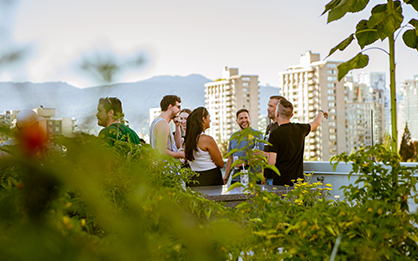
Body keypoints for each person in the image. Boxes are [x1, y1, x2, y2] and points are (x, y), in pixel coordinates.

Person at [267, 99, 328, 186]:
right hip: (298, 183)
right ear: (291, 115)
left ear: (277, 114)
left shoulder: (275, 134)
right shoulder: (300, 129)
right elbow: (316, 123)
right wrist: (321, 112)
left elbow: (271, 162)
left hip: (280, 183)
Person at [184, 107, 224, 186]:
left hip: (193, 178)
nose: (210, 120)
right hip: (210, 177)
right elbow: (220, 164)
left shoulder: (188, 140)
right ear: (203, 119)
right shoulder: (207, 139)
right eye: (209, 117)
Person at [223, 109, 264, 185]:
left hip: (253, 178)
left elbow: (261, 156)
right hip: (236, 178)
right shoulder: (233, 136)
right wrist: (226, 176)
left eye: (246, 117)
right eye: (241, 118)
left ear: (249, 119)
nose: (244, 120)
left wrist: (244, 163)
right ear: (237, 121)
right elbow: (230, 158)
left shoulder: (257, 135)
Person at [263, 95, 285, 185]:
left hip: (278, 179)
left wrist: (262, 154)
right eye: (268, 106)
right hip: (268, 177)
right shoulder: (269, 127)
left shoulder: (282, 128)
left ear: (279, 109)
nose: (268, 109)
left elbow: (283, 154)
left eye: (271, 106)